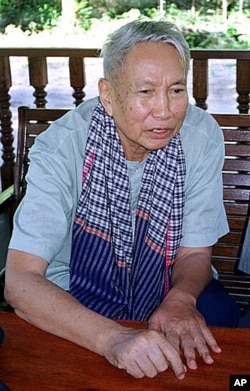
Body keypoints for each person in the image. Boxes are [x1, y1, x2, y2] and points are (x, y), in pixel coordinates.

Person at [5, 20, 240, 380]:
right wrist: (113, 339)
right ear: (109, 95)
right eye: (145, 92)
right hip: (72, 292)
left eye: (176, 90)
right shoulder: (63, 146)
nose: (165, 111)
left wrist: (179, 301)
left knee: (220, 341)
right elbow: (20, 280)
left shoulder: (200, 135)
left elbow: (193, 254)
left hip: (169, 282)